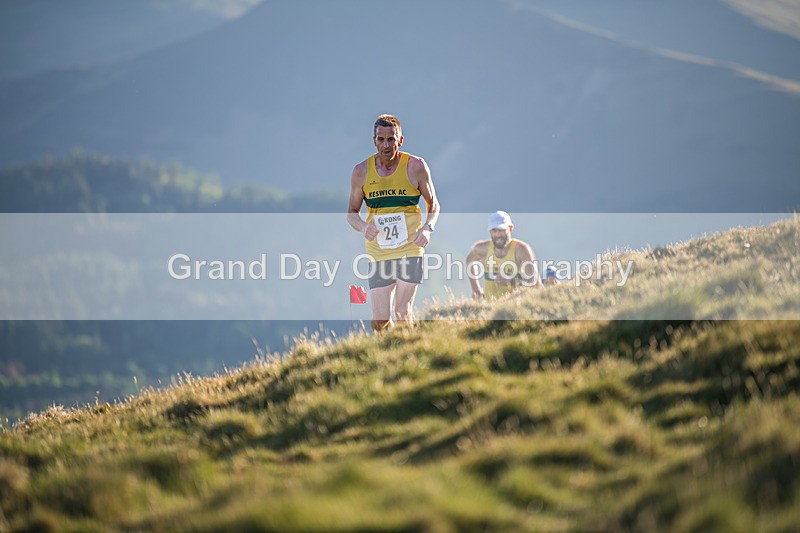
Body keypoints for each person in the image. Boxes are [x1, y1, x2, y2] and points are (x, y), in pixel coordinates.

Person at [347, 114, 440, 332]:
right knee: (380, 321)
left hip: (410, 247)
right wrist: (363, 226)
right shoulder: (361, 172)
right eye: (381, 140)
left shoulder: (415, 166)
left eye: (391, 139)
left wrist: (428, 228)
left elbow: (434, 204)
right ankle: (388, 355)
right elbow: (351, 212)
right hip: (379, 251)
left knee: (401, 310)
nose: (386, 145)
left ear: (400, 140)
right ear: (374, 140)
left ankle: (410, 352)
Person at [466, 211, 539, 299]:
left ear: (510, 228)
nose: (497, 235)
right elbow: (469, 260)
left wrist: (511, 281)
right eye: (494, 231)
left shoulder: (522, 251)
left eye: (501, 230)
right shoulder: (482, 249)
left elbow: (534, 283)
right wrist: (476, 289)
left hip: (515, 305)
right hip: (489, 306)